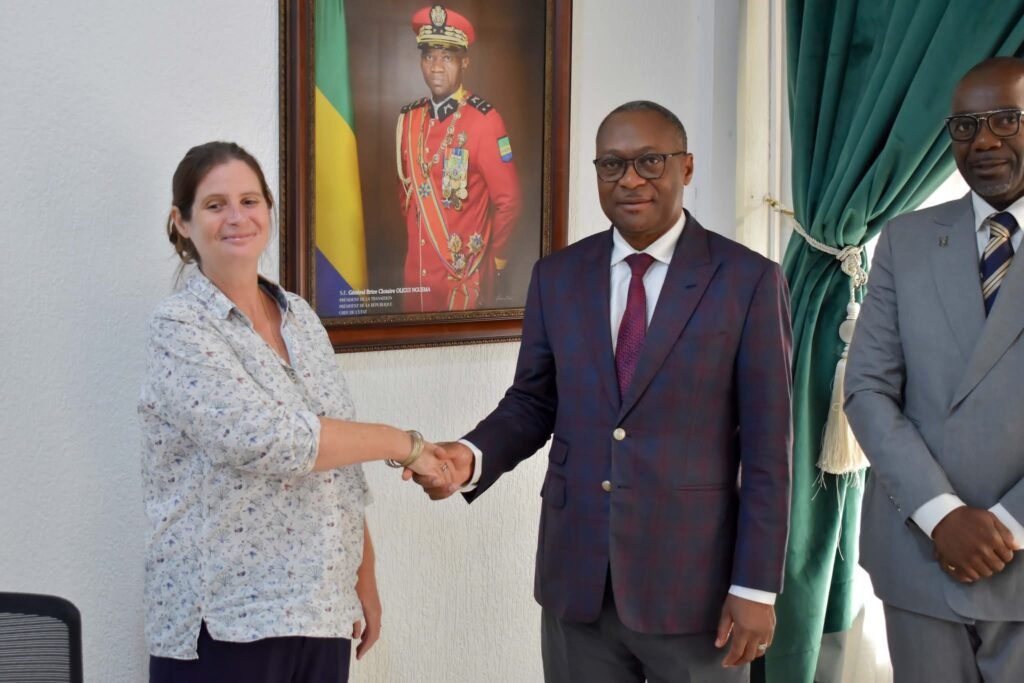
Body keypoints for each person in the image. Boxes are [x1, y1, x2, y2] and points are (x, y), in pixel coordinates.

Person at [410, 101, 793, 681]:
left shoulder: (747, 280)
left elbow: (769, 451)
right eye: (612, 165)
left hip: (695, 589)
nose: (630, 180)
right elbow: (533, 402)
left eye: (650, 161)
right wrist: (471, 456)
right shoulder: (557, 276)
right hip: (578, 582)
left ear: (686, 167)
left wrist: (757, 586)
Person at [140, 141, 452, 683]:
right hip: (228, 620)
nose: (236, 217)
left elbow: (336, 453)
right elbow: (267, 440)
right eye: (215, 205)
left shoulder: (300, 317)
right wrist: (406, 444)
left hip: (320, 610)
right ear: (182, 223)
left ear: (268, 210)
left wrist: (363, 575)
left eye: (249, 200)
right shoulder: (179, 326)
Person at [845, 57, 1024, 682]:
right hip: (920, 557)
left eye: (1006, 119)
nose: (985, 141)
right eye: (966, 126)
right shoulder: (905, 239)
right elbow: (867, 388)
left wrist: (1005, 526)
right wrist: (941, 513)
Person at [396, 3, 522, 312]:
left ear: (464, 61)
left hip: (461, 279)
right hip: (416, 275)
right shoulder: (409, 119)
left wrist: (496, 259)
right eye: (429, 56)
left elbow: (509, 201)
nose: (437, 67)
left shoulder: (485, 121)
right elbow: (407, 197)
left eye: (447, 57)